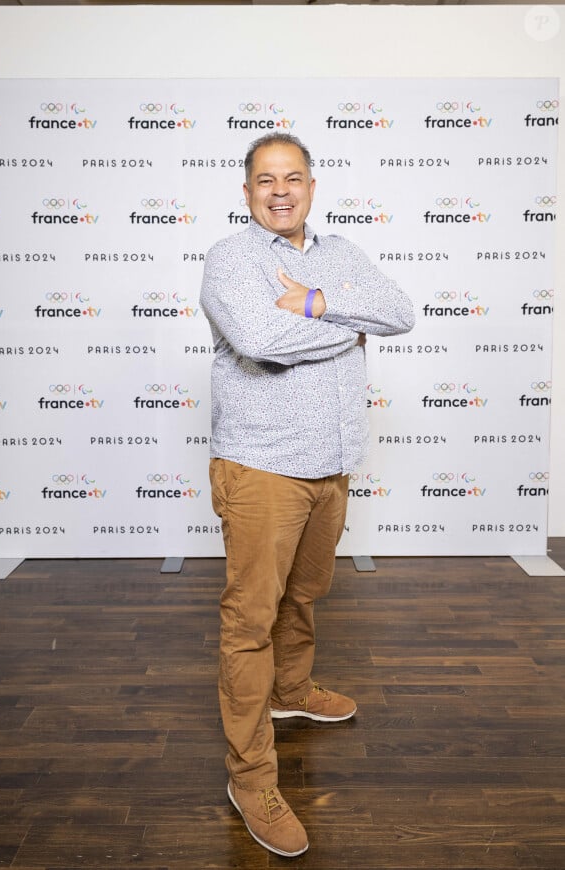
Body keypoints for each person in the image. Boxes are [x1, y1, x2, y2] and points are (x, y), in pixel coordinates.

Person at [200, 132, 414, 858]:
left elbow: (402, 311)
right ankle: (250, 774)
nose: (280, 191)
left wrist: (319, 302)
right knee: (249, 620)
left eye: (293, 178)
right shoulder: (232, 259)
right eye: (266, 180)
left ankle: (291, 691)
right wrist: (348, 327)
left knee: (305, 593)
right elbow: (261, 340)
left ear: (313, 186)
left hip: (331, 463)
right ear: (248, 190)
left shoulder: (341, 255)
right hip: (261, 467)